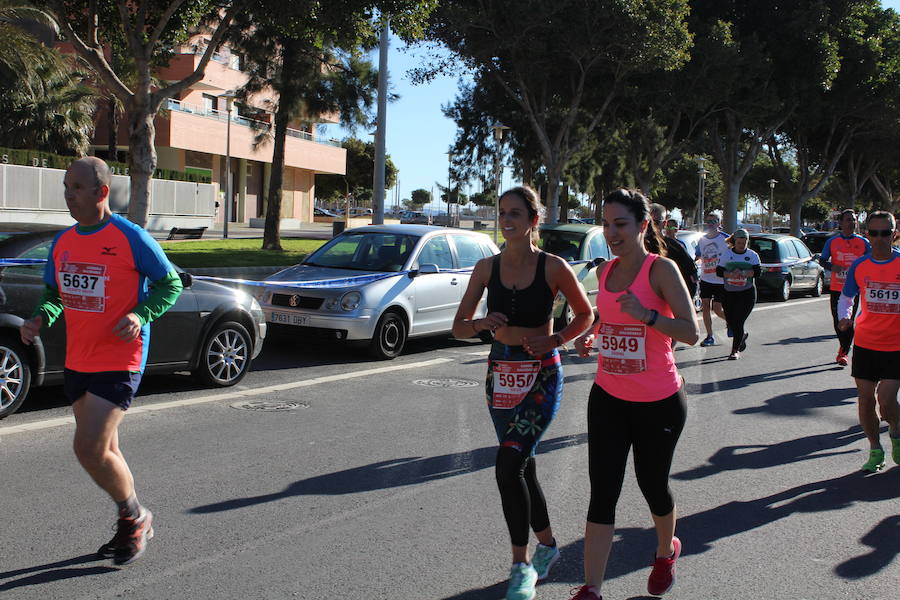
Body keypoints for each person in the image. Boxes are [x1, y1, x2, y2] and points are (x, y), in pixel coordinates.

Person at [19, 157, 183, 565]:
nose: (68, 194)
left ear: (102, 192)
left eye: (76, 187)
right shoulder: (64, 242)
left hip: (120, 358)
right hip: (79, 359)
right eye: (66, 186)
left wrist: (140, 314)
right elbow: (54, 294)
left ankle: (135, 516)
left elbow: (170, 283)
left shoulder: (131, 237)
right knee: (105, 448)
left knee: (89, 447)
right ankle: (132, 520)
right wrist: (41, 317)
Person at [452, 186, 593, 600]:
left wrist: (559, 339)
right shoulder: (485, 268)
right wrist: (480, 324)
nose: (506, 220)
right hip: (500, 373)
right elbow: (459, 327)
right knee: (522, 465)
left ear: (533, 220)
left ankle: (521, 565)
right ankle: (548, 545)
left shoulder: (553, 267)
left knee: (508, 462)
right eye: (502, 213)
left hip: (541, 375)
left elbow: (586, 313)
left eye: (516, 213)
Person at [571, 189, 699, 600]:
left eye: (620, 224)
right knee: (602, 490)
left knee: (653, 485)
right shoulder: (605, 272)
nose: (611, 232)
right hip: (608, 396)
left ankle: (665, 551)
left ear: (643, 225)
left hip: (659, 400)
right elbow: (609, 321)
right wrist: (593, 335)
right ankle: (591, 588)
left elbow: (692, 333)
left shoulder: (660, 270)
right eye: (606, 224)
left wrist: (648, 315)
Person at [837, 211, 900, 473]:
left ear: (894, 233)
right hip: (865, 343)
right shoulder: (860, 266)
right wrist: (844, 317)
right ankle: (875, 450)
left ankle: (896, 435)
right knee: (865, 400)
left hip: (896, 345)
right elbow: (846, 296)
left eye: (885, 233)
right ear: (867, 234)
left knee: (885, 400)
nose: (879, 239)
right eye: (874, 233)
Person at [819, 209, 871, 366]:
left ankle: (843, 351)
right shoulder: (832, 242)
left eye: (854, 220)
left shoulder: (863, 242)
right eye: (848, 219)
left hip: (855, 289)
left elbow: (872, 259)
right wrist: (831, 266)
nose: (852, 222)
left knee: (848, 320)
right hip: (836, 286)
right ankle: (844, 346)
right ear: (840, 223)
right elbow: (822, 260)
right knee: (838, 321)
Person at [715, 229, 761, 360]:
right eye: (739, 242)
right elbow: (719, 271)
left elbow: (758, 272)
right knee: (731, 321)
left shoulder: (752, 255)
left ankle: (734, 351)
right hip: (729, 292)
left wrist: (744, 273)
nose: (741, 245)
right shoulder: (727, 254)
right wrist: (730, 274)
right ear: (734, 242)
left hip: (747, 293)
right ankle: (742, 335)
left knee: (738, 322)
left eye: (744, 242)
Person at [650, 204, 697, 302]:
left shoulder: (674, 246)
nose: (650, 226)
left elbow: (691, 272)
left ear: (663, 224)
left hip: (668, 301)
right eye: (648, 221)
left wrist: (684, 302)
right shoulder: (635, 247)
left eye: (654, 222)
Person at [695, 213, 729, 346]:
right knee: (705, 306)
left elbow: (736, 252)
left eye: (714, 221)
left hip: (721, 280)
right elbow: (697, 256)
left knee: (717, 309)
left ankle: (731, 322)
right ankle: (710, 336)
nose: (710, 223)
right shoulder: (702, 239)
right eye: (708, 221)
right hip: (706, 279)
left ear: (719, 223)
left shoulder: (726, 238)